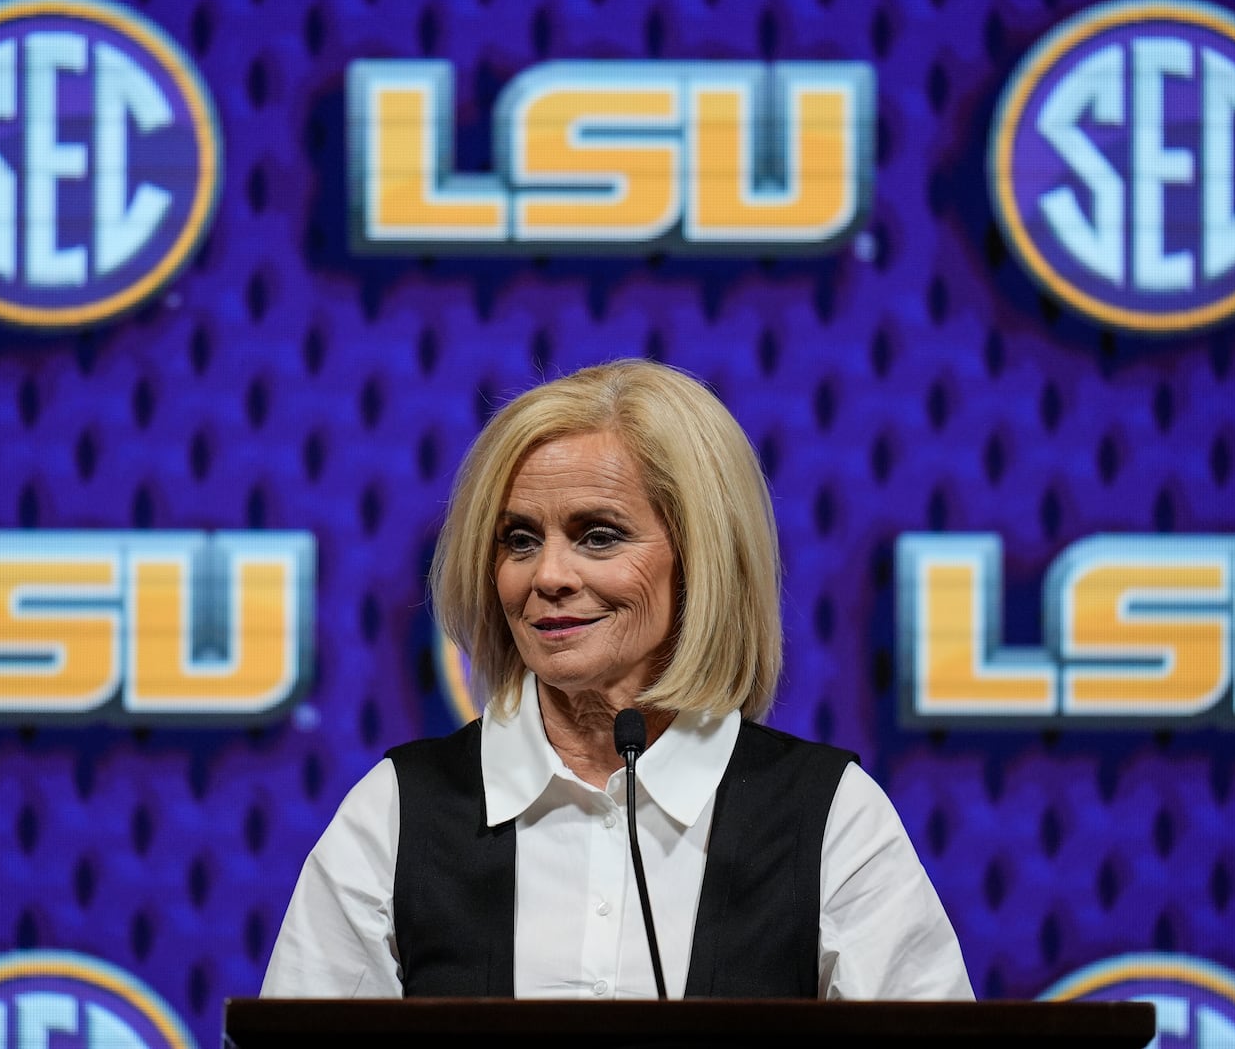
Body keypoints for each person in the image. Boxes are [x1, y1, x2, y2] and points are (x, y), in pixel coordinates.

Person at [261, 358, 972, 1000]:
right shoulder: (395, 812)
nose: (548, 576)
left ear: (700, 560)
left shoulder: (832, 818)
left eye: (598, 535)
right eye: (519, 539)